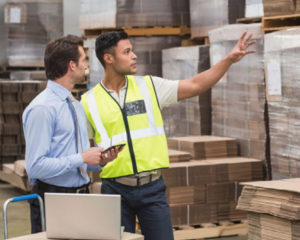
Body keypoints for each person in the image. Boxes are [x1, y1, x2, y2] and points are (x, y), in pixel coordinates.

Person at [80, 30, 256, 240]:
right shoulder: (88, 102)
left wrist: (228, 60)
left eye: (132, 50)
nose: (134, 55)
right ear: (109, 58)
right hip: (115, 192)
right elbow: (84, 151)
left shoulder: (149, 86)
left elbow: (195, 85)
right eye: (127, 52)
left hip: (152, 189)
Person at [22, 35, 121, 233]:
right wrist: (81, 157)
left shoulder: (75, 106)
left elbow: (75, 158)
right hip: (53, 200)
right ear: (71, 66)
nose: (86, 66)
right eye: (83, 59)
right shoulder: (42, 109)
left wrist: (96, 161)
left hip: (81, 195)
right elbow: (35, 167)